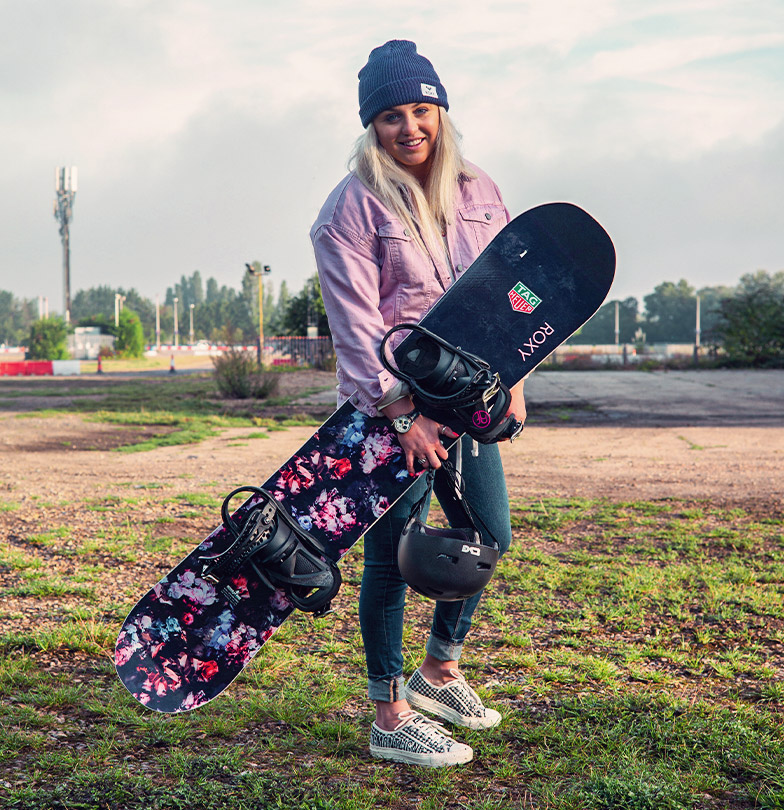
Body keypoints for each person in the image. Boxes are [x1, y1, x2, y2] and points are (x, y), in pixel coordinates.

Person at [311, 39, 526, 767]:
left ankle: (439, 669)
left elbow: (510, 304)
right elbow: (357, 324)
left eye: (422, 110)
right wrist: (403, 413)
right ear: (371, 126)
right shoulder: (349, 209)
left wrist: (517, 381)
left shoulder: (478, 189)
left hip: (469, 404)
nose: (410, 127)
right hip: (391, 415)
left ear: (441, 112)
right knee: (392, 561)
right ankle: (389, 712)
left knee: (488, 537)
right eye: (392, 115)